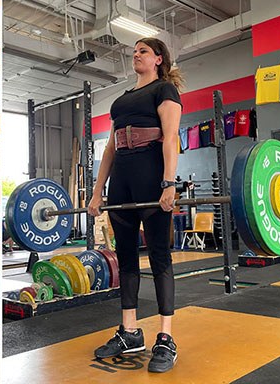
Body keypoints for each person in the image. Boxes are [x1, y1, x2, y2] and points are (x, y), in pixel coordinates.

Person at [87, 37, 183, 373]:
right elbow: (110, 149)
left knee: (159, 255)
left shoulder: (164, 91)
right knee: (126, 257)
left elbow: (170, 137)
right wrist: (98, 192)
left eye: (142, 51)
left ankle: (165, 338)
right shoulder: (120, 102)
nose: (136, 55)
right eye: (134, 51)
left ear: (158, 58)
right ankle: (129, 332)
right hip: (122, 182)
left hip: (151, 175)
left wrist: (169, 182)